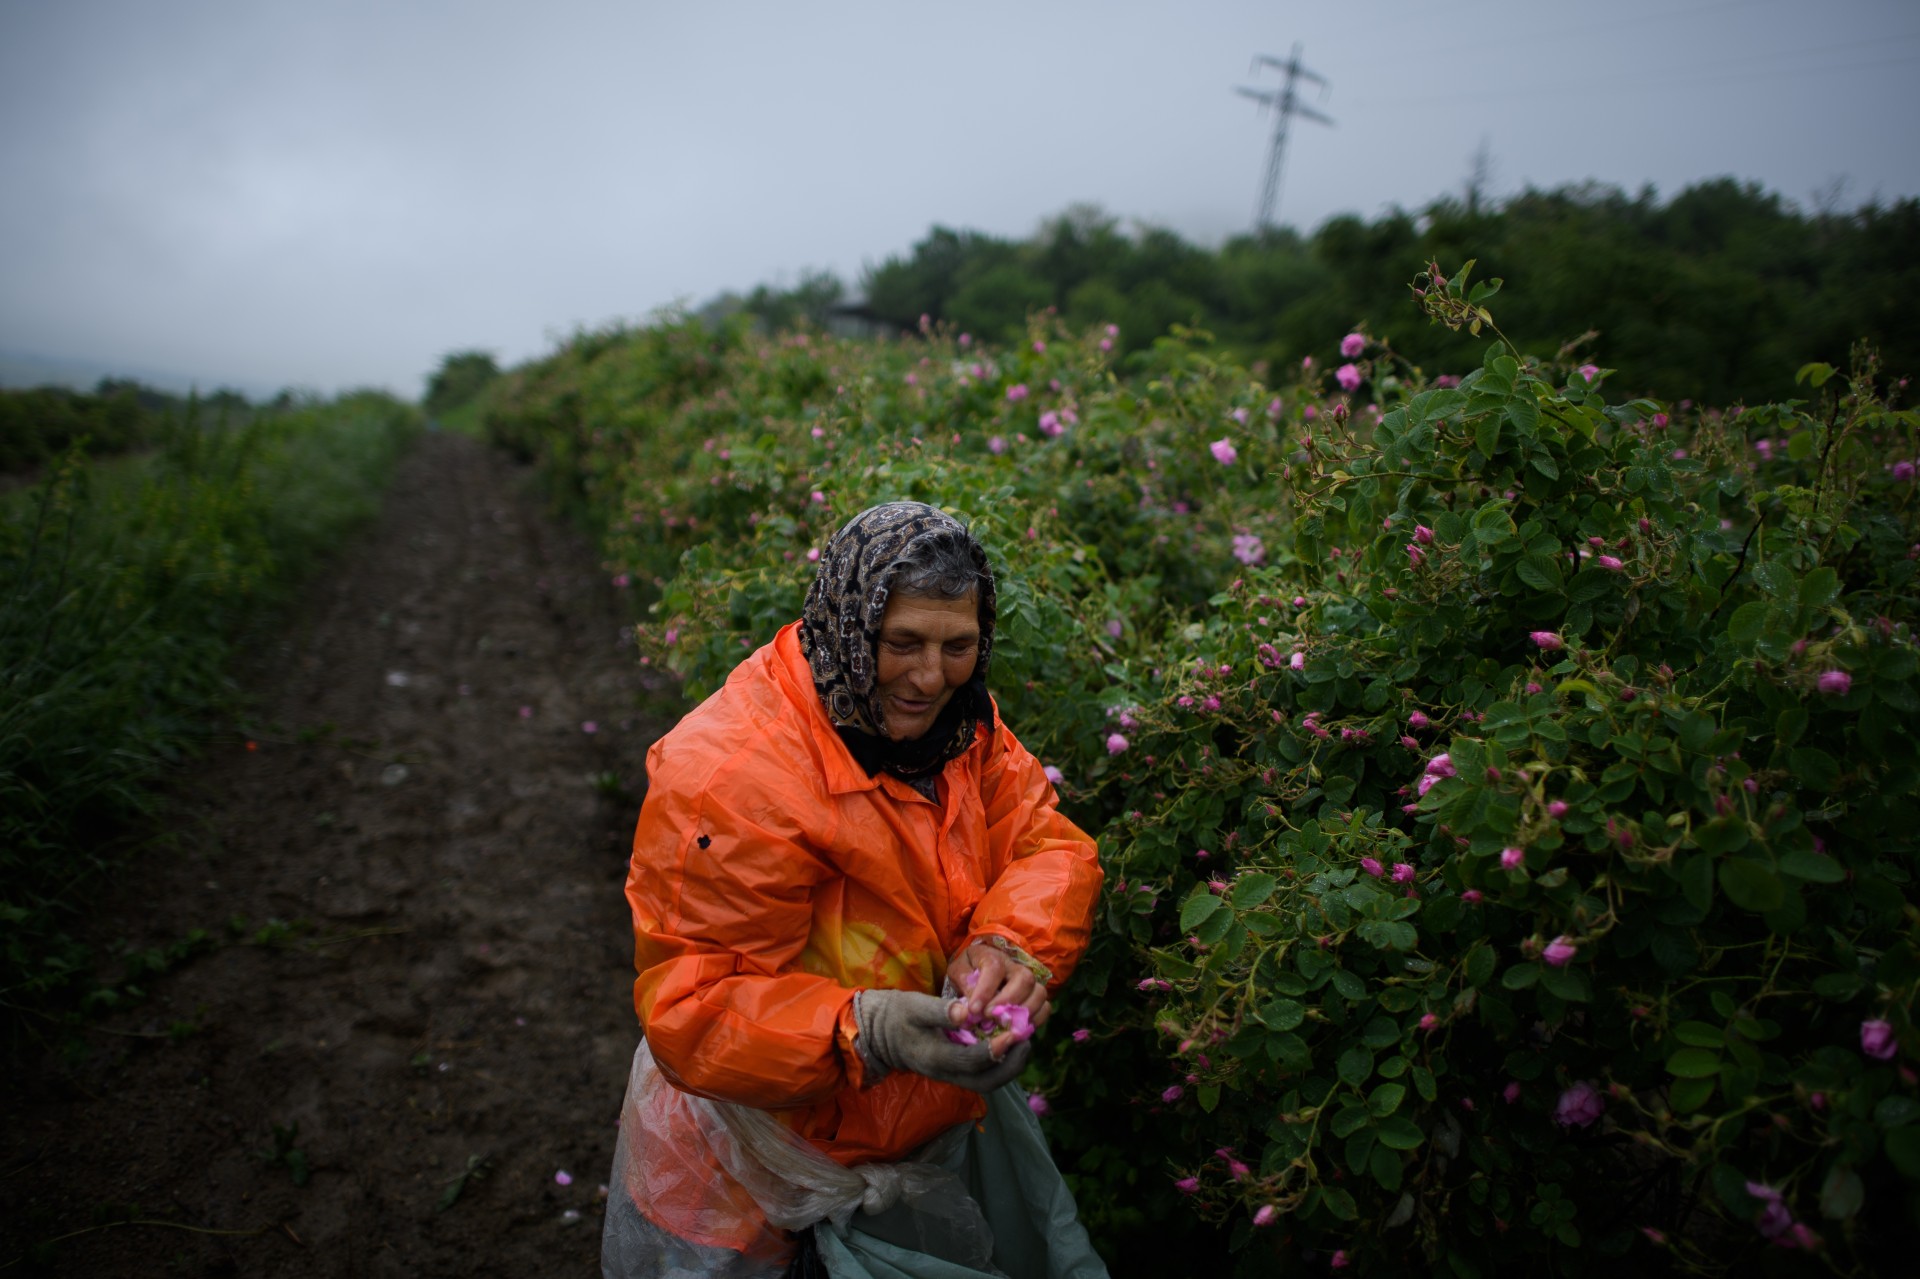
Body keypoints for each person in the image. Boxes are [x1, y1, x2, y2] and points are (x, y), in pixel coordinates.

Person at [602, 501, 1108, 1279]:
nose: (930, 676)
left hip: (913, 1121)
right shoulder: (737, 777)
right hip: (756, 1167)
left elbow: (1044, 842)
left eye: (958, 646)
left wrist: (1009, 946)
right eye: (902, 643)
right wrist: (864, 1029)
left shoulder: (963, 729)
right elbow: (694, 1008)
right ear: (848, 621)